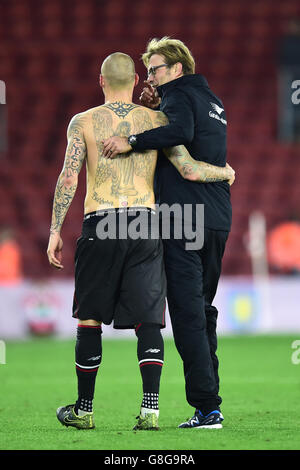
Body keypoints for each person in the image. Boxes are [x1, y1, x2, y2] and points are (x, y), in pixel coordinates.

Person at [47, 52, 234, 431]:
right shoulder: (157, 120)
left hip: (100, 223)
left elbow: (69, 177)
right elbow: (188, 168)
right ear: (135, 80)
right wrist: (226, 172)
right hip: (146, 225)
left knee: (89, 318)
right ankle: (151, 412)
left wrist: (54, 229)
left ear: (101, 81)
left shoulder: (82, 122)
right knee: (149, 321)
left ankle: (84, 409)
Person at [102, 38, 233, 429]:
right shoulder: (213, 101)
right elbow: (196, 140)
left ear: (177, 69)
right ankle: (211, 399)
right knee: (204, 310)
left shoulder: (178, 95)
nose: (151, 77)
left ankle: (207, 407)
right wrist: (226, 173)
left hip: (182, 216)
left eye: (156, 69)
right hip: (218, 218)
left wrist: (131, 140)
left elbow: (179, 132)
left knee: (188, 314)